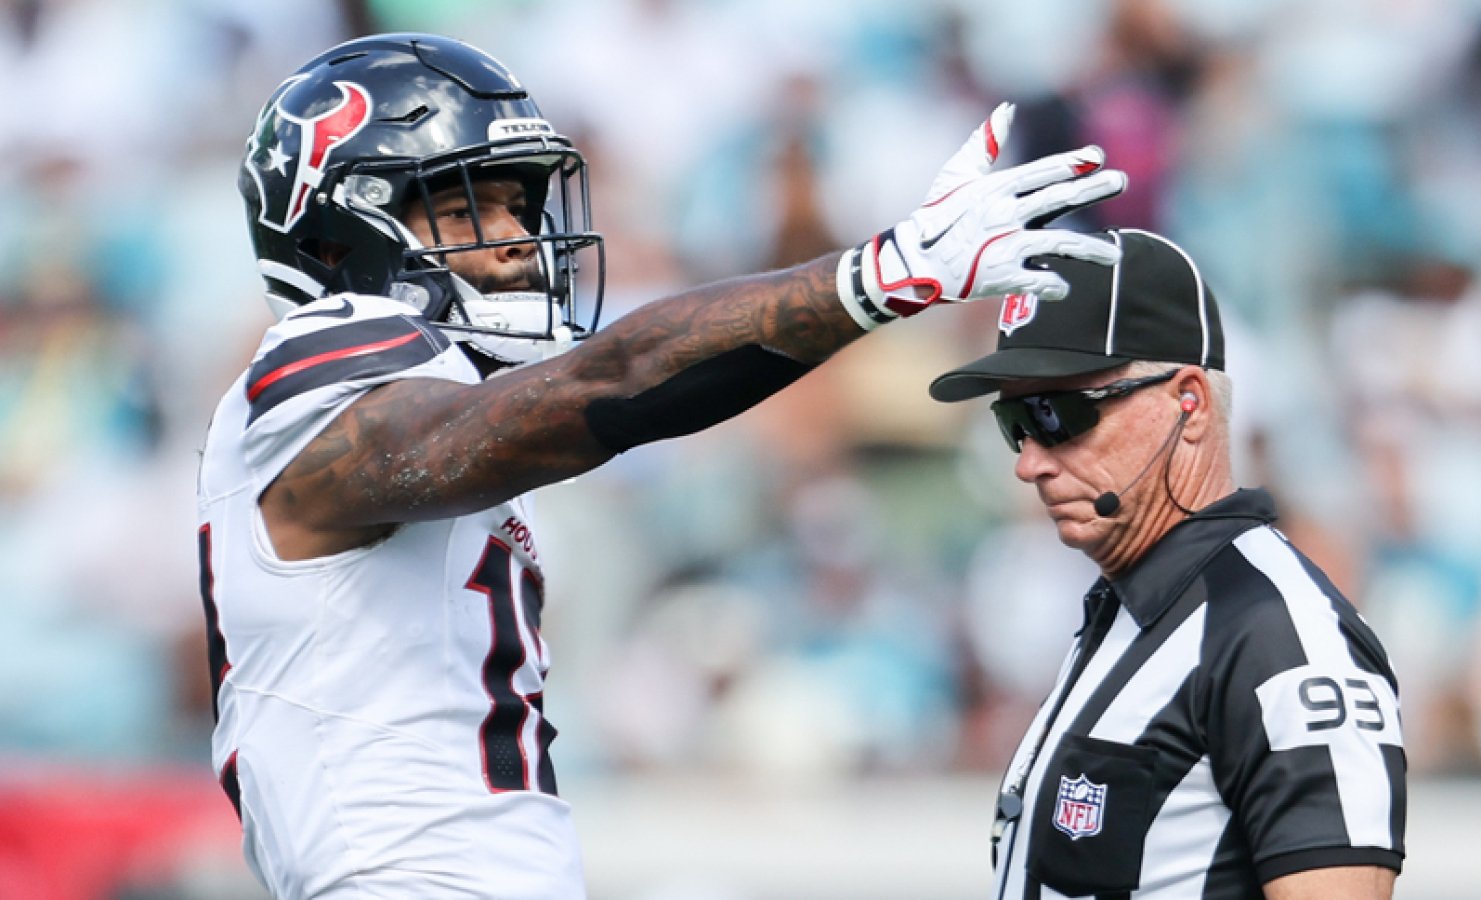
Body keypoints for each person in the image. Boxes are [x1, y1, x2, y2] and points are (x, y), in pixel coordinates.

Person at [195, 32, 1128, 899]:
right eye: (463, 204)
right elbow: (614, 384)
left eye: (518, 203)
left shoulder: (442, 402)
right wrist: (877, 276)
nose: (516, 236)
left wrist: (875, 294)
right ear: (337, 239)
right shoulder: (322, 361)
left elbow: (631, 392)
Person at [928, 228, 1406, 899]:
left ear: (1190, 403)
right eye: (1016, 422)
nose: (1029, 461)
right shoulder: (1133, 606)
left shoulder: (1281, 635)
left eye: (1059, 414)